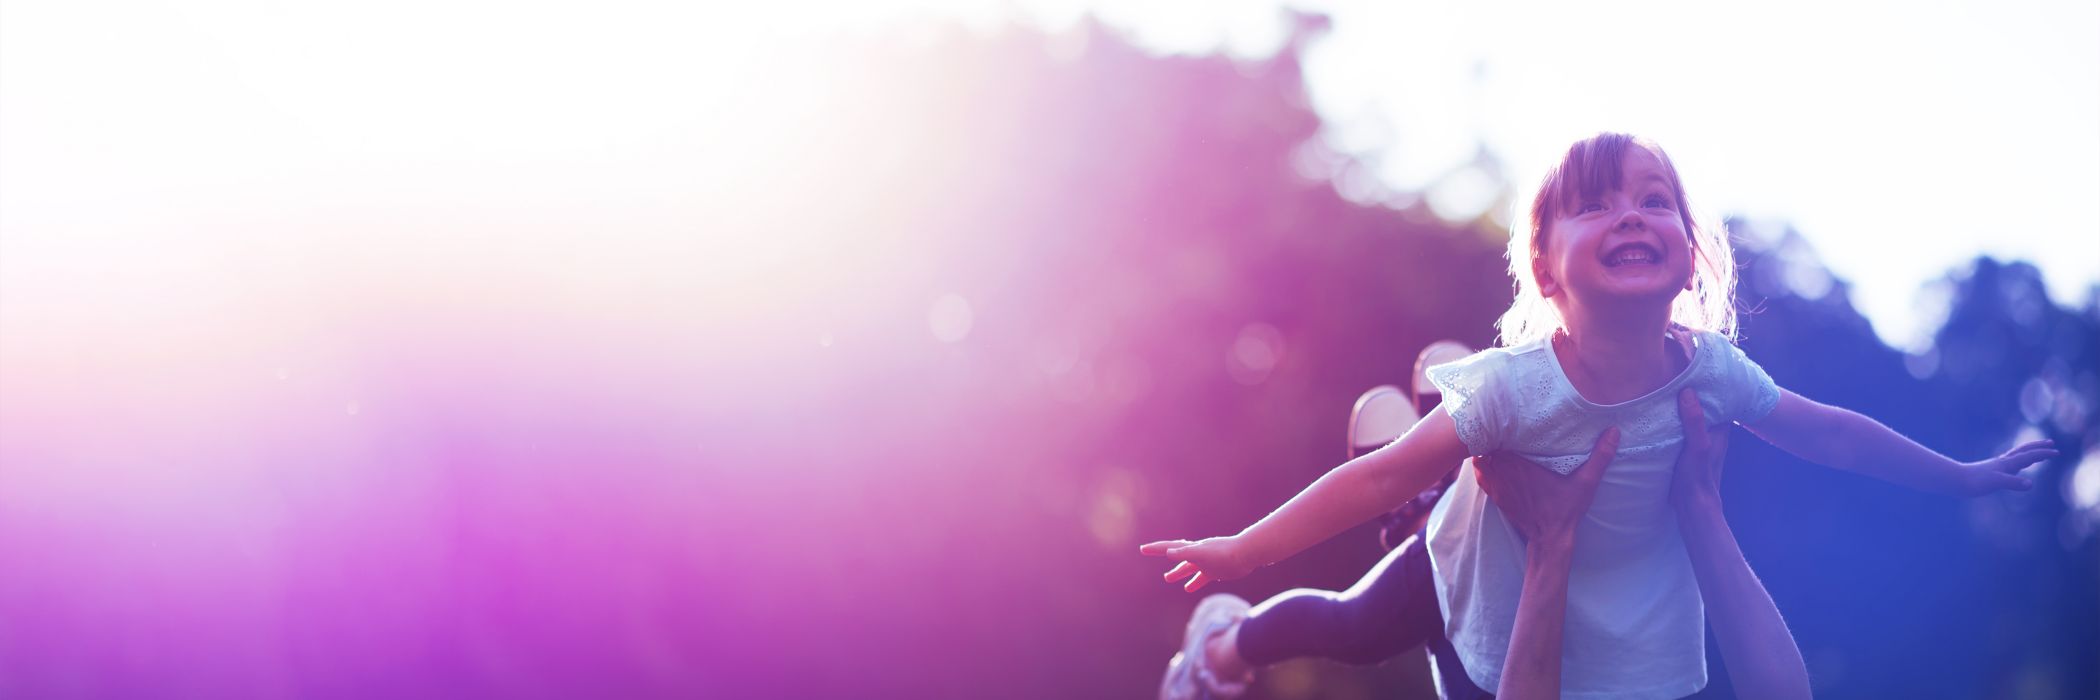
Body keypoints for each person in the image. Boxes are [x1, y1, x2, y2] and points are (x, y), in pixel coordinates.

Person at [1142, 132, 2056, 698]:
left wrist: (1960, 474)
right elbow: (1371, 472)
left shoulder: (1709, 372)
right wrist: (1240, 552)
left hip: (1609, 609)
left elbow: (1830, 430)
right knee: (1348, 624)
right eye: (1595, 205)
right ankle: (1223, 647)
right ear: (1545, 270)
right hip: (1471, 574)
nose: (1631, 215)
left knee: (1433, 490)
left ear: (1691, 258)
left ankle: (1437, 453)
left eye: (1654, 200)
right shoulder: (1518, 386)